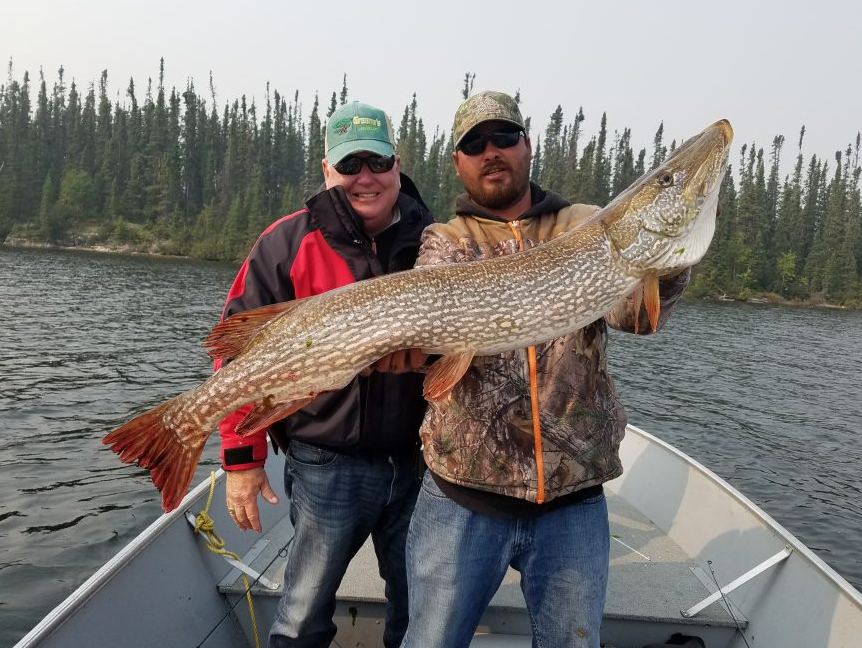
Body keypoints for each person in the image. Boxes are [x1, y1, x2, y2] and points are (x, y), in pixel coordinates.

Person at [399, 91, 691, 648]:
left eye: (503, 138)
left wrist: (671, 253)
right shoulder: (447, 240)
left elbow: (638, 316)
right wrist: (408, 351)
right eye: (474, 144)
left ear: (526, 146)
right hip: (464, 495)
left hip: (571, 501)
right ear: (458, 161)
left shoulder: (586, 226)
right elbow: (429, 348)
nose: (491, 152)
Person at [216, 101, 433, 648]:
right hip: (326, 465)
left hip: (421, 463)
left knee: (420, 610)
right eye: (350, 163)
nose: (365, 177)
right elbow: (234, 357)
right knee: (303, 613)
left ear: (397, 165)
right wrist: (243, 459)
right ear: (327, 170)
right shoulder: (286, 243)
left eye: (377, 162)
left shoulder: (438, 241)